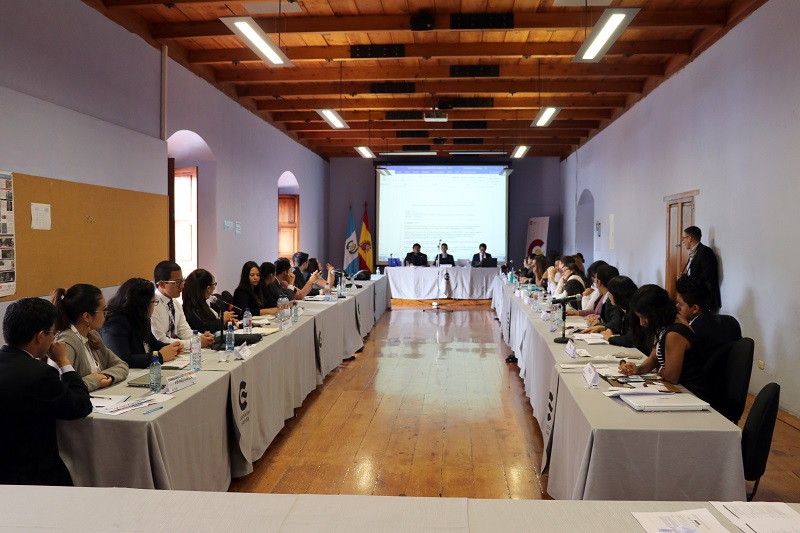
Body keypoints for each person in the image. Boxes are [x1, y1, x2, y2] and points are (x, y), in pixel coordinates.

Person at [0, 297, 93, 486]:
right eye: (53, 333)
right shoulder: (40, 374)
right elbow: (80, 406)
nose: (54, 338)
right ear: (40, 336)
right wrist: (64, 363)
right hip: (33, 475)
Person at [619, 284, 710, 401]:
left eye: (644, 317)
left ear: (656, 313)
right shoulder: (664, 324)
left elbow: (672, 377)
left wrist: (659, 368)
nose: (641, 323)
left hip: (691, 394)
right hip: (677, 389)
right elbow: (653, 358)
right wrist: (638, 369)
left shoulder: (675, 333)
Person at [50, 283, 129, 391]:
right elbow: (60, 386)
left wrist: (107, 376)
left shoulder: (92, 335)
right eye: (103, 310)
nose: (106, 314)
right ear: (87, 316)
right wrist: (94, 381)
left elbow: (121, 365)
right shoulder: (66, 342)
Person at [101, 277, 183, 368]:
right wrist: (160, 356)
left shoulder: (141, 317)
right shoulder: (116, 323)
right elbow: (123, 359)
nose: (153, 306)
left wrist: (172, 347)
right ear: (142, 304)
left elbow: (152, 343)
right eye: (153, 302)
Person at [150, 260, 214, 350]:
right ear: (161, 284)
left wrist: (201, 337)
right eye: (177, 282)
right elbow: (160, 340)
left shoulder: (175, 303)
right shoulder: (152, 305)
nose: (182, 286)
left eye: (182, 281)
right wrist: (194, 343)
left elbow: (183, 330)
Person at [675, 276, 741, 356]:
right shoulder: (731, 321)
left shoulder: (691, 333)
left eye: (680, 305)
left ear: (695, 308)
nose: (677, 307)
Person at [601, 276, 649, 354]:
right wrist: (609, 329)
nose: (608, 295)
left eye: (610, 292)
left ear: (616, 295)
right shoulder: (623, 309)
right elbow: (616, 325)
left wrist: (610, 338)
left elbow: (630, 339)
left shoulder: (634, 312)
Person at [680, 226, 721, 311]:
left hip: (705, 297)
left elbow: (707, 275)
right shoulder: (696, 251)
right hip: (696, 296)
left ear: (689, 238)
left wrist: (688, 279)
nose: (682, 241)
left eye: (683, 238)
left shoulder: (705, 252)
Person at [182, 269, 236, 333]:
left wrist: (226, 323)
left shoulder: (200, 303)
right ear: (208, 288)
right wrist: (222, 320)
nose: (215, 287)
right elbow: (204, 328)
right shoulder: (191, 307)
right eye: (214, 284)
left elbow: (211, 323)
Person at [575, 264, 623, 334]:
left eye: (595, 279)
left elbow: (615, 323)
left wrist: (599, 324)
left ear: (598, 282)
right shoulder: (604, 296)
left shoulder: (613, 300)